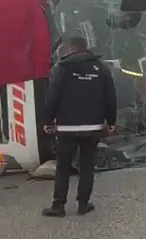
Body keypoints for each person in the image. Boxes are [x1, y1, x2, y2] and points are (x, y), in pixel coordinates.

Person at [41, 37, 117, 217]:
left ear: (70, 49)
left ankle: (58, 205)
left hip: (67, 128)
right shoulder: (101, 68)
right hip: (93, 127)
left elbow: (52, 98)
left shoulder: (61, 69)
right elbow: (110, 98)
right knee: (87, 165)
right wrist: (111, 121)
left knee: (63, 166)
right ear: (86, 48)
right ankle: (83, 204)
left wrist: (47, 121)